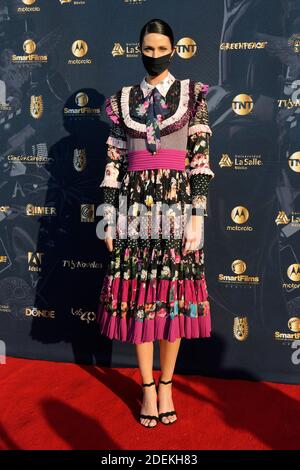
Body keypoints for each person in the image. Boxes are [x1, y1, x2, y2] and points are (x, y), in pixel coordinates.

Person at [97, 18, 215, 428]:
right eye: (147, 49)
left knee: (173, 298)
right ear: (138, 49)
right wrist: (108, 217)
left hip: (177, 208)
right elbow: (113, 163)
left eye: (161, 48)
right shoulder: (121, 100)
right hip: (134, 212)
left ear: (173, 50)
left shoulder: (192, 95)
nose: (154, 56)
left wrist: (197, 217)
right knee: (141, 302)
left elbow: (199, 161)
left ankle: (167, 383)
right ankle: (147, 388)